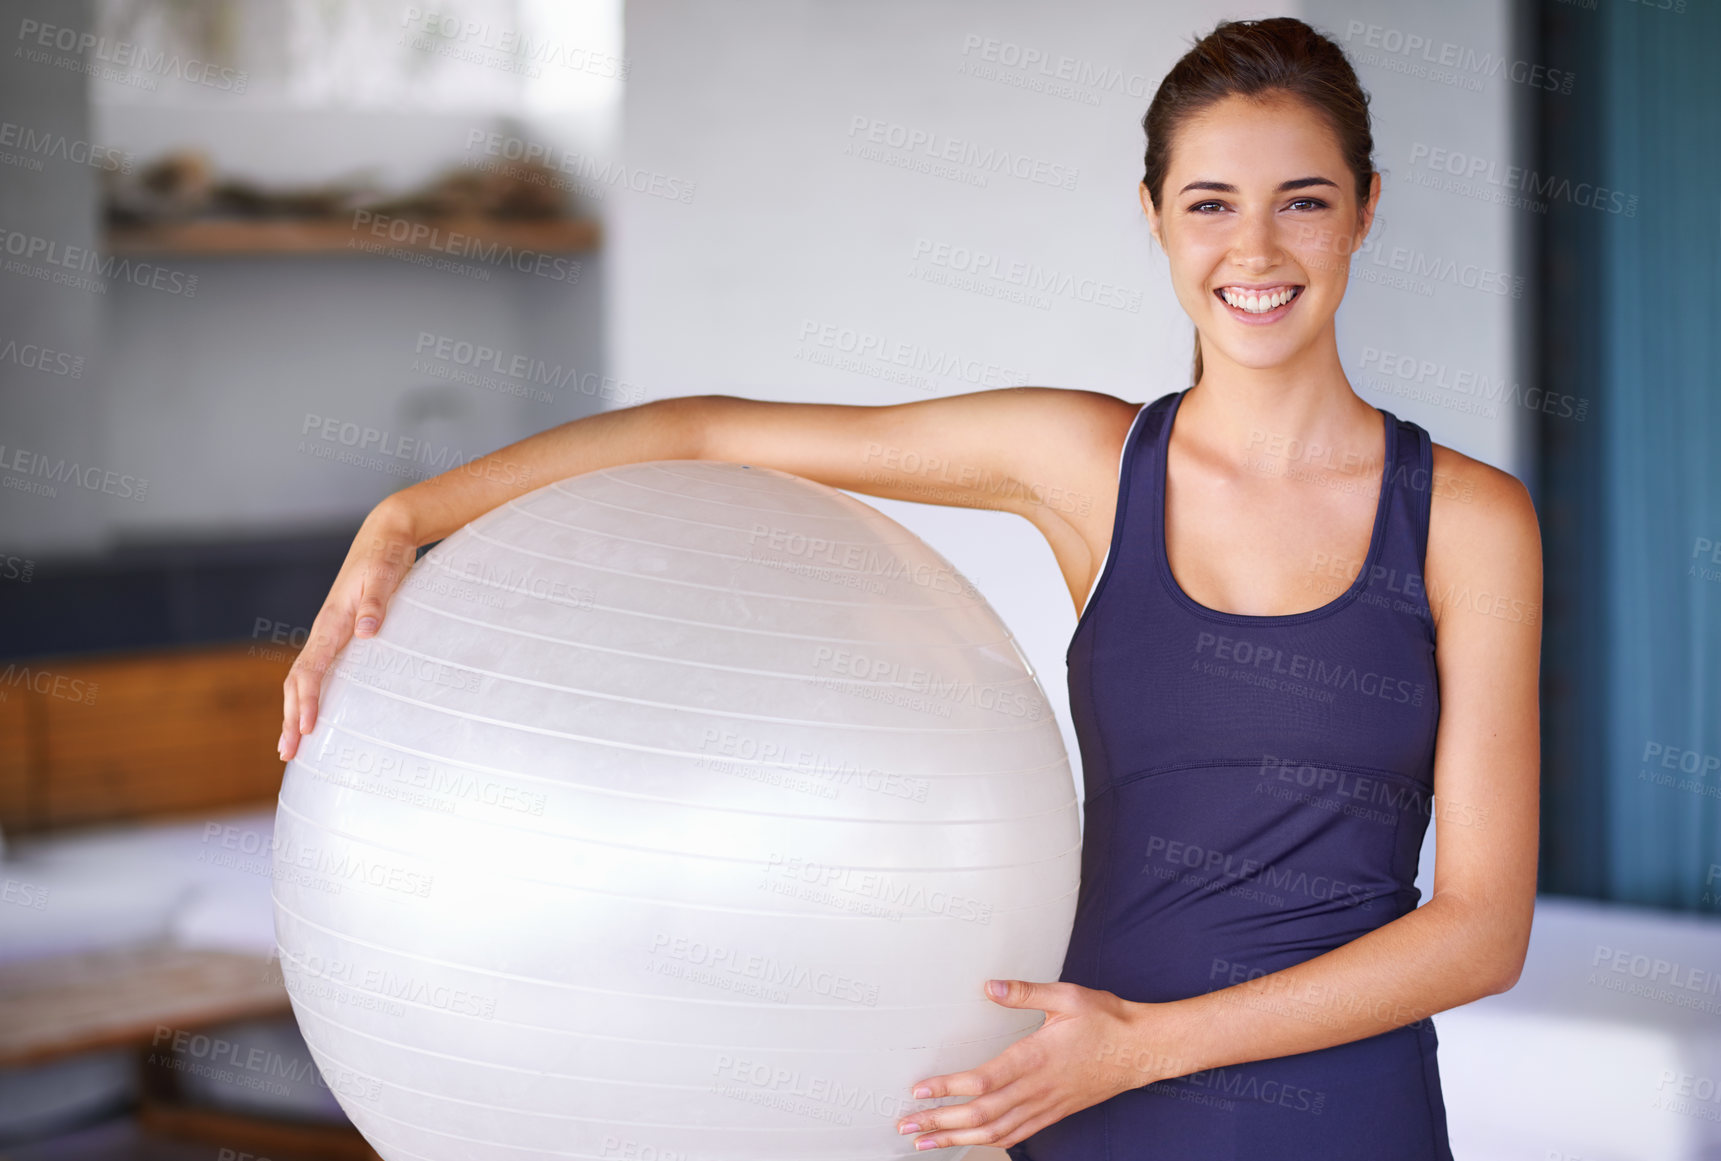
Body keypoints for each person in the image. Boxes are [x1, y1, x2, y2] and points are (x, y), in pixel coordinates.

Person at [279, 16, 1539, 1159]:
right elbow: (713, 434)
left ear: (1364, 211)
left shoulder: (1468, 522)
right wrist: (407, 517)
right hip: (1073, 1098)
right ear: (1153, 215)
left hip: (1328, 1108)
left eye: (1300, 202)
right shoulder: (1083, 464)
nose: (1253, 248)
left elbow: (1481, 929)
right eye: (1209, 203)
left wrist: (1142, 1046)